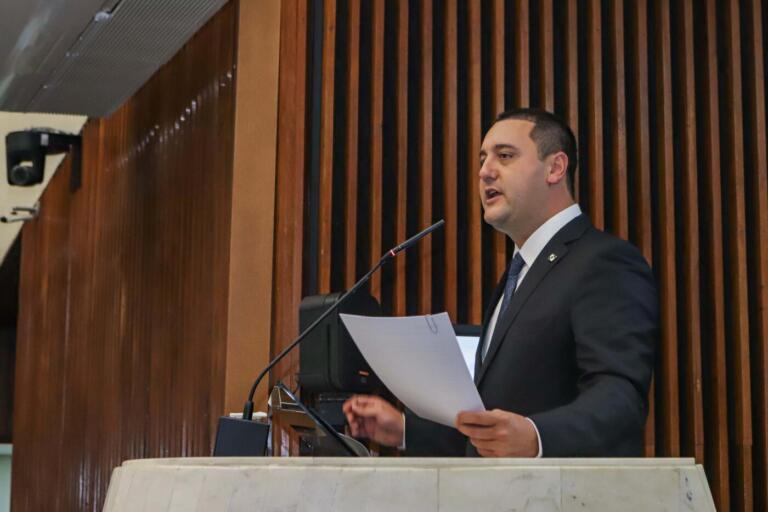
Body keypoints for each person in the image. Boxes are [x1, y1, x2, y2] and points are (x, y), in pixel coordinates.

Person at [343, 108, 658, 457]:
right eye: (482, 160)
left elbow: (620, 398)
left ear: (555, 168)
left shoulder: (603, 261)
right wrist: (405, 430)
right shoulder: (518, 274)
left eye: (505, 156)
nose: (485, 171)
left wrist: (538, 437)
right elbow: (498, 423)